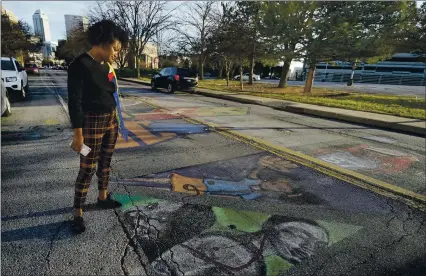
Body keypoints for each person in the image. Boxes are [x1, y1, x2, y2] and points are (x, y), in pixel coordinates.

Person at [67, 20, 129, 234]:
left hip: (110, 120)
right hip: (91, 123)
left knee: (106, 162)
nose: (117, 53)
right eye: (115, 48)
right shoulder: (79, 65)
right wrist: (78, 135)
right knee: (87, 168)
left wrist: (117, 120)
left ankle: (103, 197)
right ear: (102, 42)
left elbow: (112, 93)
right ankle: (78, 213)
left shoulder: (108, 66)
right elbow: (74, 102)